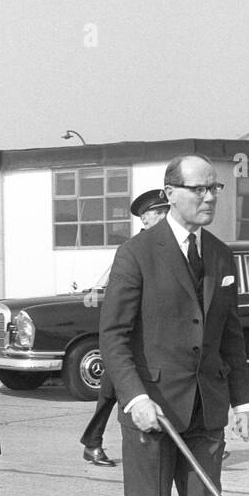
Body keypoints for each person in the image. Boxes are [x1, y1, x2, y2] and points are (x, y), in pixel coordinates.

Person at [73, 154, 249, 496]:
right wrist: (133, 397)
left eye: (215, 189)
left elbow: (230, 335)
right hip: (151, 408)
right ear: (171, 192)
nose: (210, 198)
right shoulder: (137, 253)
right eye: (199, 189)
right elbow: (112, 337)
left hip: (207, 409)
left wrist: (241, 401)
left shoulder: (221, 255)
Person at [79, 188, 169, 467]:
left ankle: (196, 440)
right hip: (129, 336)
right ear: (145, 220)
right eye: (159, 213)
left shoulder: (175, 245)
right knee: (110, 392)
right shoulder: (135, 248)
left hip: (158, 336)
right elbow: (112, 276)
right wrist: (95, 287)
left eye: (166, 211)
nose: (165, 217)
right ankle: (92, 442)